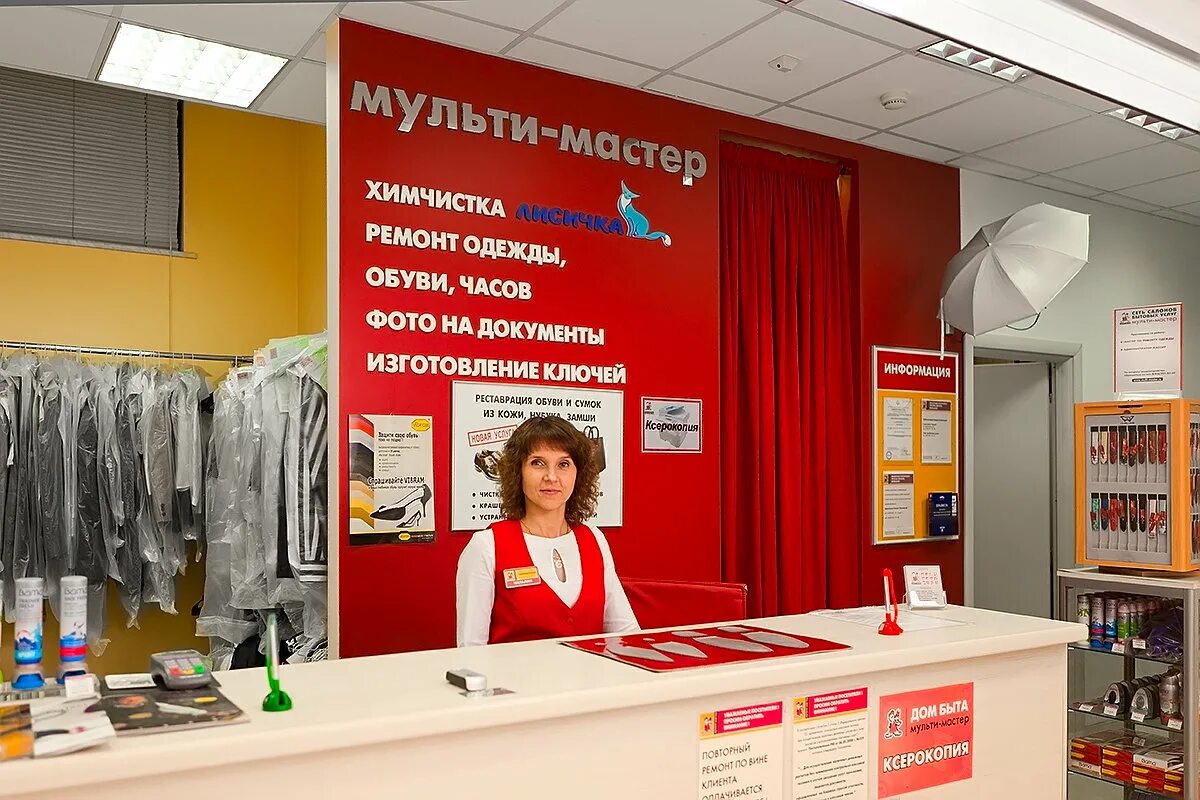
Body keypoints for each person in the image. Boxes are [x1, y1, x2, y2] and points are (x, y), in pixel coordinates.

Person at [456, 415, 639, 647]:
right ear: (517, 471)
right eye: (537, 463)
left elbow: (626, 633)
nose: (551, 477)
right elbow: (471, 650)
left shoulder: (595, 540)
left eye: (563, 464)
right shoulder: (486, 546)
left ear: (578, 474)